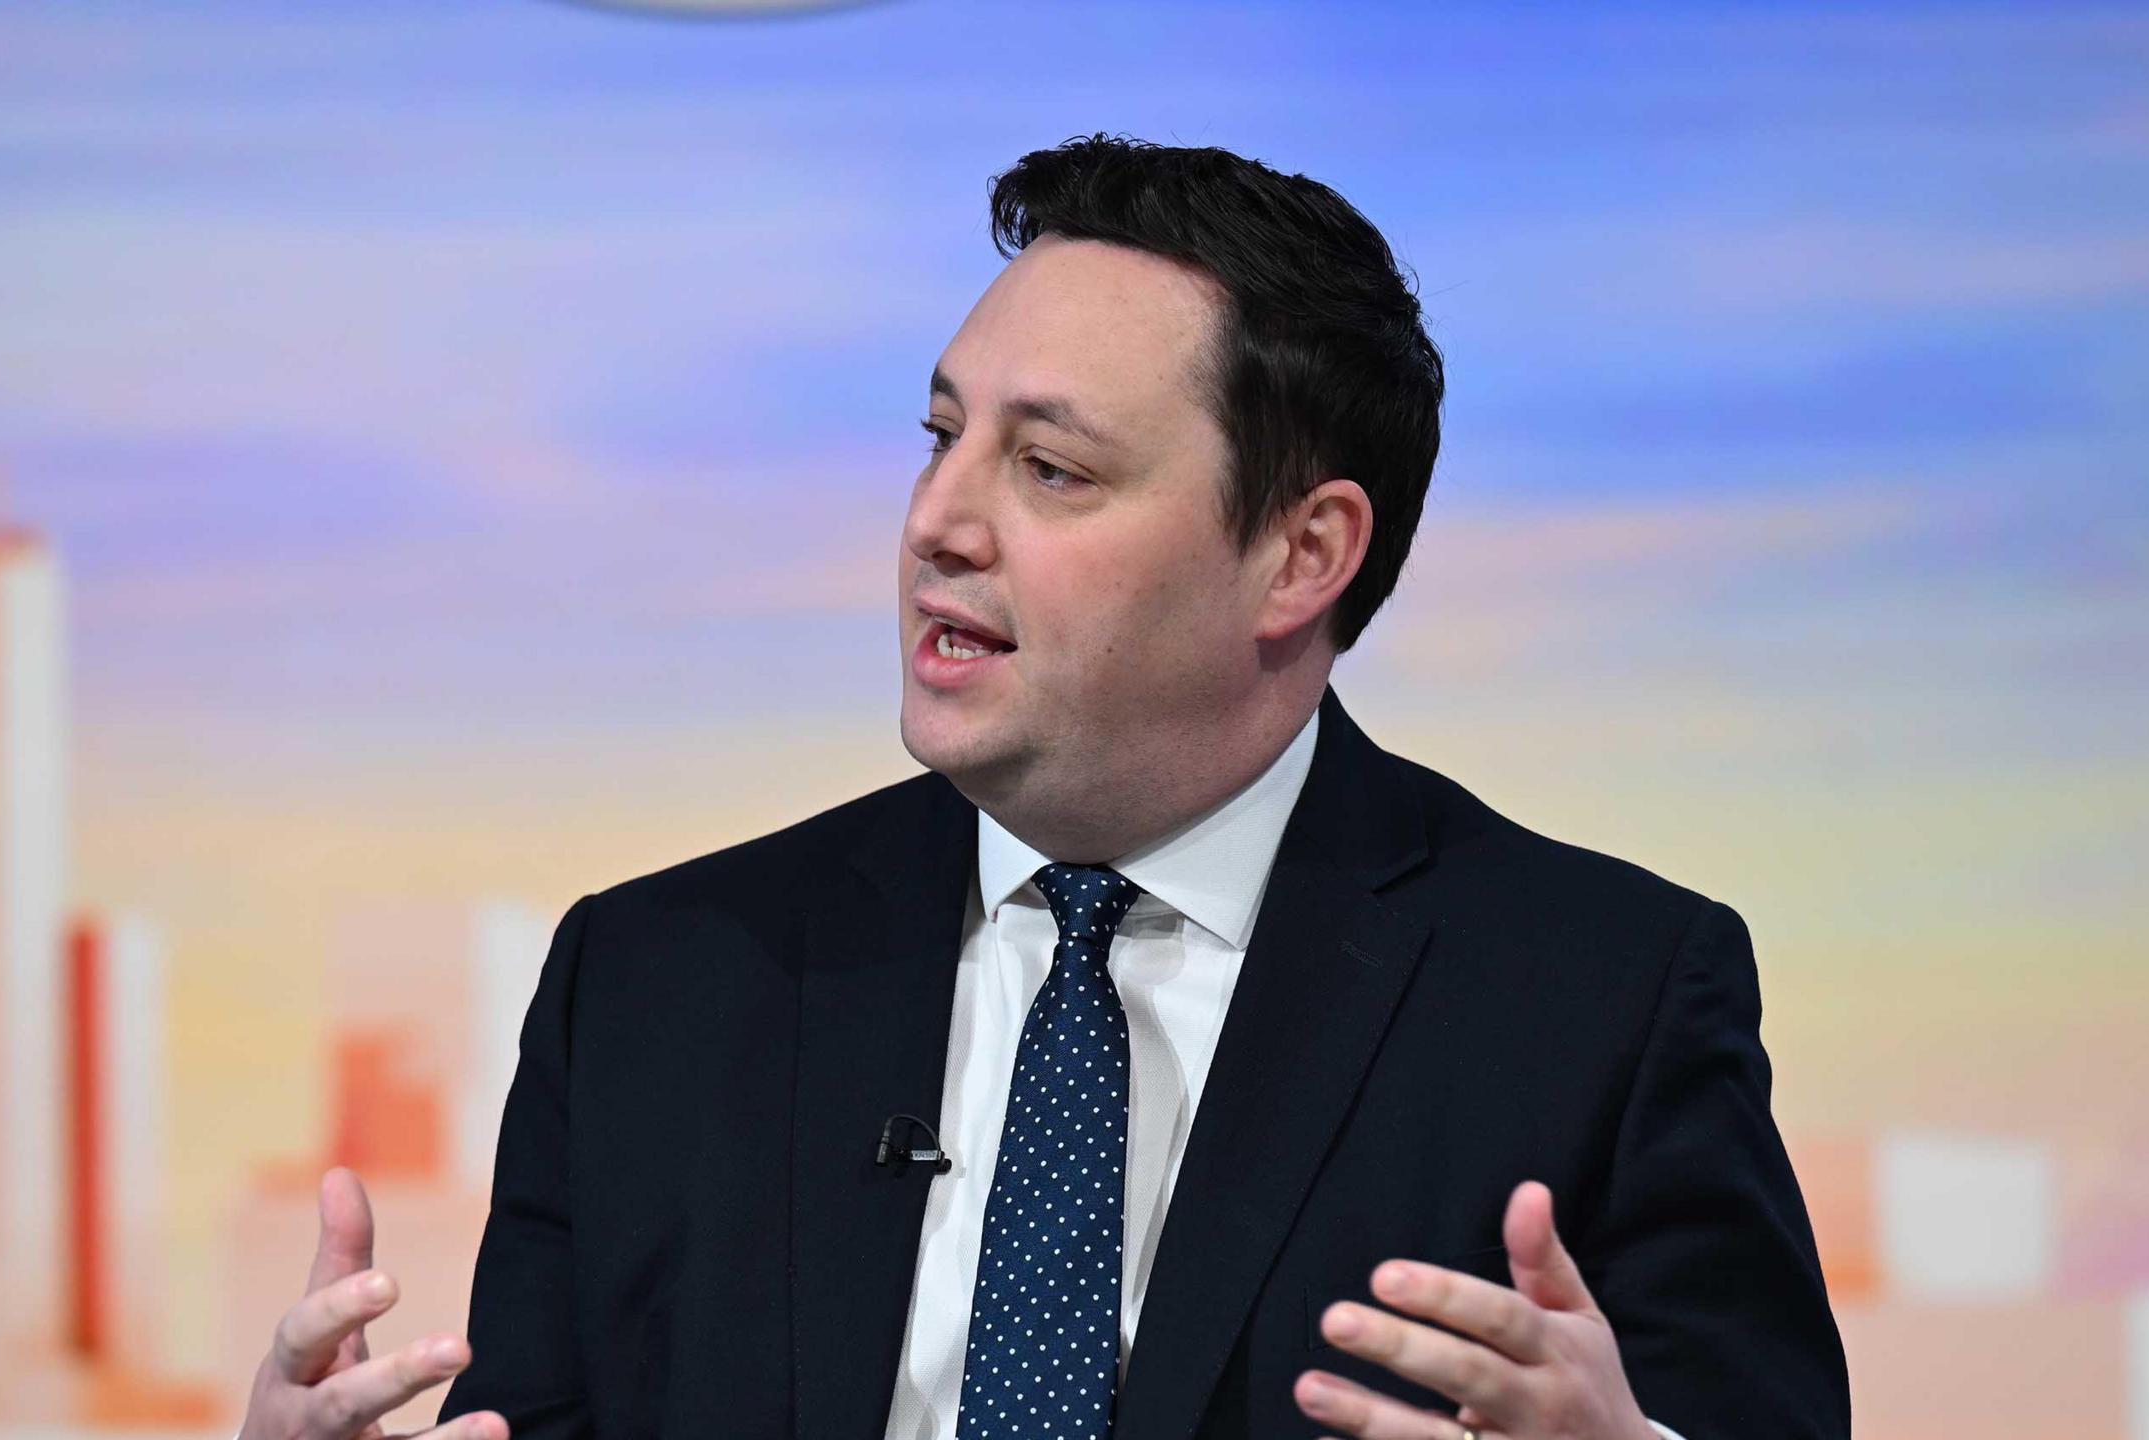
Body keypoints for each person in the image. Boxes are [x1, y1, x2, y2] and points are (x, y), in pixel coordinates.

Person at [237, 134, 1850, 1440]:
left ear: (1304, 555)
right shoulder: (659, 981)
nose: (938, 520)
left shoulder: (1597, 998)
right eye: (937, 439)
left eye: (1050, 470)